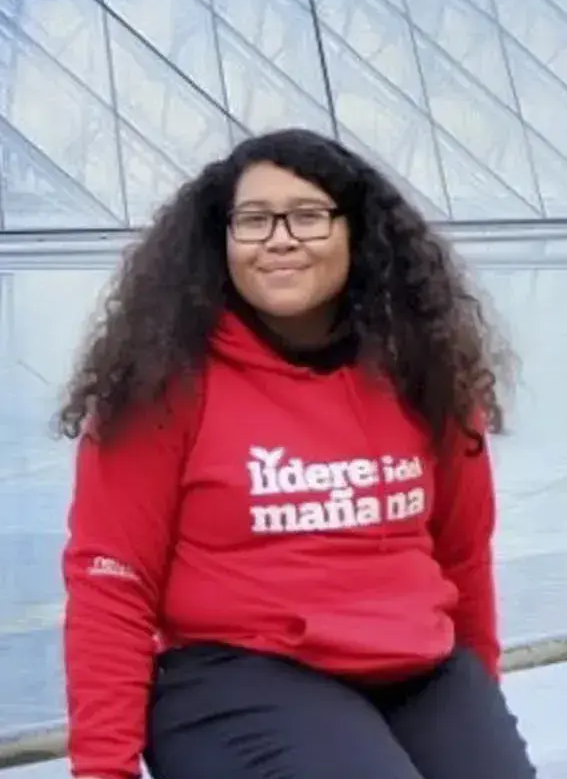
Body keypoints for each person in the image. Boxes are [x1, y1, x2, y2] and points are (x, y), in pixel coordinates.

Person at [59, 129, 531, 779]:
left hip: (415, 668)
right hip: (234, 676)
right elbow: (111, 586)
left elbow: (463, 555)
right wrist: (103, 772)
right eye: (253, 220)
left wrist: (478, 704)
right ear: (221, 239)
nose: (279, 239)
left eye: (308, 215)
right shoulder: (161, 383)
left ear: (356, 232)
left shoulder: (423, 371)